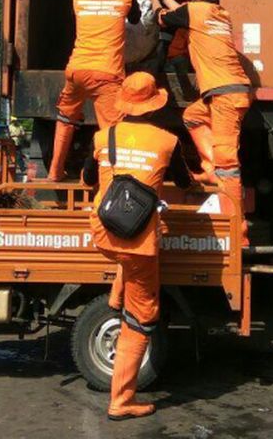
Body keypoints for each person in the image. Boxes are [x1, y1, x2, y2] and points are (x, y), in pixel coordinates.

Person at [82, 72, 192, 420]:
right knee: (143, 316)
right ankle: (122, 400)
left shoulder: (103, 136)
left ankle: (117, 296)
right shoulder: (167, 141)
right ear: (154, 104)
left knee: (126, 260)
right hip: (138, 238)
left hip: (104, 229)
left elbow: (87, 179)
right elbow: (184, 181)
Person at [148, 0, 253, 238]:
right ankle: (209, 169)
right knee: (192, 116)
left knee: (228, 163)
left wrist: (154, 1)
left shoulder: (195, 12)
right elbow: (185, 13)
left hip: (225, 94)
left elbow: (165, 19)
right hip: (229, 89)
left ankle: (236, 230)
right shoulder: (220, 14)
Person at [46, 0, 135, 181]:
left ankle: (55, 172)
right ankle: (109, 179)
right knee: (110, 131)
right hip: (107, 72)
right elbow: (135, 19)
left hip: (77, 69)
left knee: (66, 116)